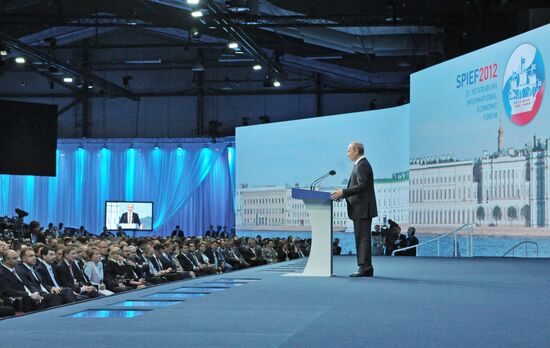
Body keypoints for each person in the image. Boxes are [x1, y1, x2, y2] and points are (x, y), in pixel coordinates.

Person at [331, 141, 377, 277]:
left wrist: (344, 192)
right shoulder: (360, 165)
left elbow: (362, 186)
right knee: (361, 239)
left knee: (362, 239)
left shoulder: (362, 165)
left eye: (348, 151)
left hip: (362, 209)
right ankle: (365, 267)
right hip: (360, 209)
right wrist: (343, 195)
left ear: (356, 151)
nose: (347, 154)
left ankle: (365, 268)